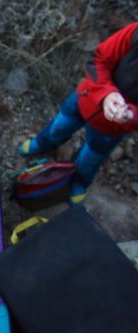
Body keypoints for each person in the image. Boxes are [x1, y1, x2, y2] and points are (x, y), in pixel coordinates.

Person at [18, 21, 138, 203]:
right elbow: (99, 58)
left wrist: (131, 115)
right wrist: (107, 93)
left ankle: (79, 182)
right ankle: (42, 144)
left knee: (90, 158)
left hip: (114, 126)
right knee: (59, 126)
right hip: (85, 97)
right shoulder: (136, 31)